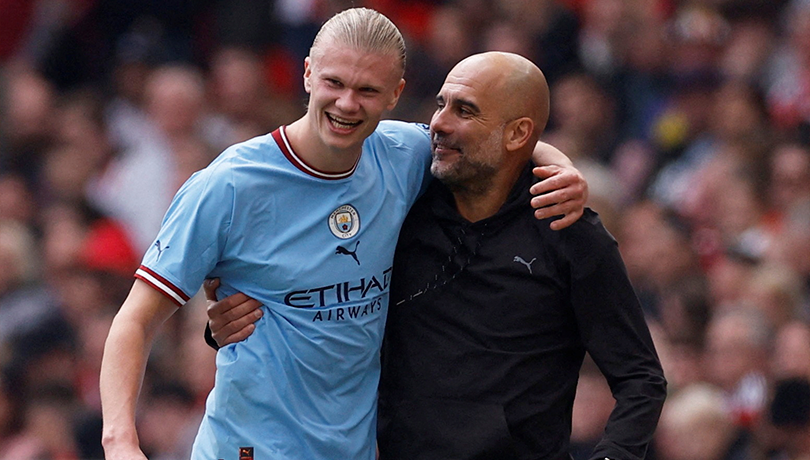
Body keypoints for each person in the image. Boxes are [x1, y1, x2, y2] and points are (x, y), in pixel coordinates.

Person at [99, 8, 588, 460]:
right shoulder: (229, 186)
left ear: (396, 94)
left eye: (368, 91)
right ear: (308, 72)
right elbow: (134, 322)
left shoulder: (403, 155)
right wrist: (121, 441)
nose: (347, 104)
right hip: (250, 448)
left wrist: (562, 168)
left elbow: (493, 141)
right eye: (334, 82)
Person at [209, 51, 667, 460]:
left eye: (464, 110)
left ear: (517, 134)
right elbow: (321, 300)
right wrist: (232, 321)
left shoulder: (566, 230)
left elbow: (641, 379)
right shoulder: (402, 206)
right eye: (441, 104)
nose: (440, 123)